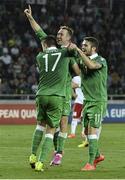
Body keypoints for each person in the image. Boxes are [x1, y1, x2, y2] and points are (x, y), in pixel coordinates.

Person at [24, 5, 80, 167]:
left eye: (61, 34)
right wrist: (30, 17)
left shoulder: (68, 53)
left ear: (68, 38)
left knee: (62, 124)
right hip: (56, 94)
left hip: (63, 94)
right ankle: (48, 155)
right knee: (52, 127)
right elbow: (39, 32)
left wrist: (71, 79)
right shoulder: (61, 52)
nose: (58, 35)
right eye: (57, 34)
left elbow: (77, 73)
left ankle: (58, 154)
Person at [69, 37, 107, 171]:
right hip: (87, 101)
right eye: (82, 45)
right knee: (85, 132)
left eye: (86, 45)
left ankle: (91, 163)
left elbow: (91, 66)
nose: (83, 46)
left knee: (92, 132)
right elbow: (78, 69)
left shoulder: (100, 61)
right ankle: (97, 155)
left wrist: (78, 51)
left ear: (94, 48)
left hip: (98, 101)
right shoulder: (81, 59)